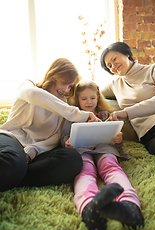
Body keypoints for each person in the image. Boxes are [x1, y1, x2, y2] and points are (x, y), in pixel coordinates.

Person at [0, 58, 101, 192]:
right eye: (64, 83)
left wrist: (31, 152)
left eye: (70, 86)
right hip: (11, 139)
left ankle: (15, 174)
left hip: (36, 152)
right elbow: (33, 94)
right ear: (53, 75)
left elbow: (55, 138)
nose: (66, 89)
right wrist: (81, 114)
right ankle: (15, 171)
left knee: (73, 160)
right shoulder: (28, 86)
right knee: (13, 161)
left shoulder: (63, 105)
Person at [61, 80, 144, 230]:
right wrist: (67, 142)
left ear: (98, 97)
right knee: (84, 171)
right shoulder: (72, 115)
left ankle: (130, 206)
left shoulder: (106, 115)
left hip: (104, 148)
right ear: (77, 100)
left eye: (92, 98)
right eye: (84, 98)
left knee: (111, 166)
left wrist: (118, 140)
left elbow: (116, 138)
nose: (88, 102)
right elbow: (65, 135)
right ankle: (89, 207)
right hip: (81, 149)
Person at [100, 41, 155, 159]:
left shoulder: (154, 70)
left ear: (127, 54)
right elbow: (93, 91)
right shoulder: (115, 84)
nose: (113, 66)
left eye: (114, 59)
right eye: (109, 66)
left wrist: (126, 113)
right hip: (150, 134)